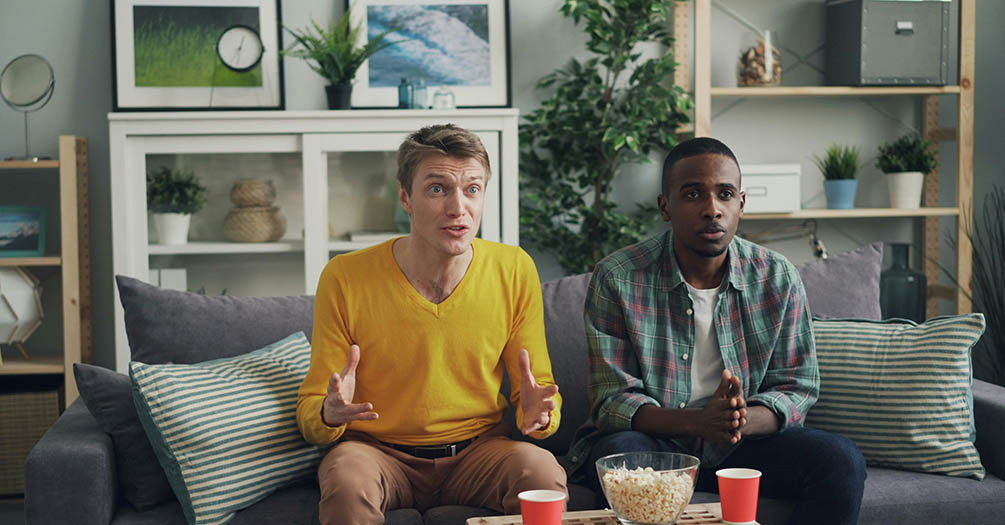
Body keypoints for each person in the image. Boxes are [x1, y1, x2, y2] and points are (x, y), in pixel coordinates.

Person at [566, 137, 866, 524]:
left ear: (741, 203)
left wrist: (735, 421)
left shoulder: (778, 277)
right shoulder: (619, 278)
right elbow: (613, 401)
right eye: (693, 194)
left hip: (746, 445)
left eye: (724, 194)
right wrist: (698, 422)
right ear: (665, 207)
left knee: (840, 459)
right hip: (657, 443)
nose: (712, 210)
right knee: (624, 452)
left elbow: (797, 387)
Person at [296, 124, 566, 524]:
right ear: (405, 197)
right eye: (438, 189)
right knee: (347, 481)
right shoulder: (345, 276)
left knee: (543, 473)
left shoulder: (514, 269)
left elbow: (538, 389)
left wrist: (542, 416)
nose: (458, 208)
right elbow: (311, 411)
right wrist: (329, 414)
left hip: (479, 452)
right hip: (376, 451)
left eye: (472, 189)